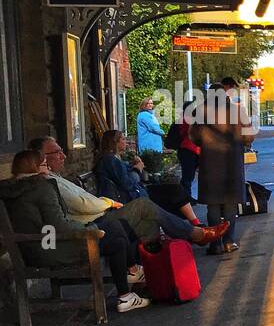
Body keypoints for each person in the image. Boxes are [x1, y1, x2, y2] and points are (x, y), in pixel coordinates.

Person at [0, 150, 149, 314]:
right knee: (115, 230)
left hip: (32, 249)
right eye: (44, 164)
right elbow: (59, 225)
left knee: (117, 235)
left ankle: (127, 292)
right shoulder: (41, 188)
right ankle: (131, 278)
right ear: (35, 167)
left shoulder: (10, 191)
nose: (48, 167)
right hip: (51, 248)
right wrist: (90, 230)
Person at [90, 131, 229, 249]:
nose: (126, 142)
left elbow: (135, 178)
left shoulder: (116, 158)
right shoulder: (109, 160)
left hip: (137, 194)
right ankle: (196, 233)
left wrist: (137, 167)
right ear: (114, 142)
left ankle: (195, 230)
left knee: (174, 190)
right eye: (123, 139)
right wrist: (137, 170)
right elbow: (127, 183)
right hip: (129, 200)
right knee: (164, 200)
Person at [196, 78, 255, 254]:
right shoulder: (238, 111)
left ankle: (215, 243)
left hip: (210, 163)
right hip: (232, 163)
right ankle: (229, 241)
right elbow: (248, 136)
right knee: (230, 204)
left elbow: (194, 137)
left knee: (213, 205)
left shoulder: (200, 112)